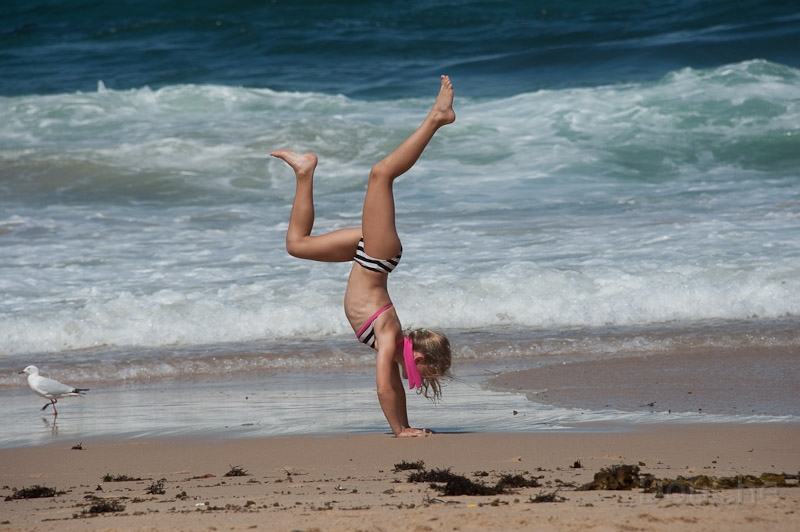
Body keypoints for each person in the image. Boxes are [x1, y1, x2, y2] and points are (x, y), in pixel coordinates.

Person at [271, 75, 455, 437]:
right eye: (427, 372)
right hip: (376, 256)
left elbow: (393, 385)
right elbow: (384, 387)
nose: (417, 377)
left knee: (297, 244)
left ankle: (304, 171)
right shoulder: (390, 339)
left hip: (367, 256)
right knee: (380, 175)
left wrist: (405, 426)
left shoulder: (394, 344)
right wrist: (399, 431)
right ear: (419, 358)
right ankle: (438, 117)